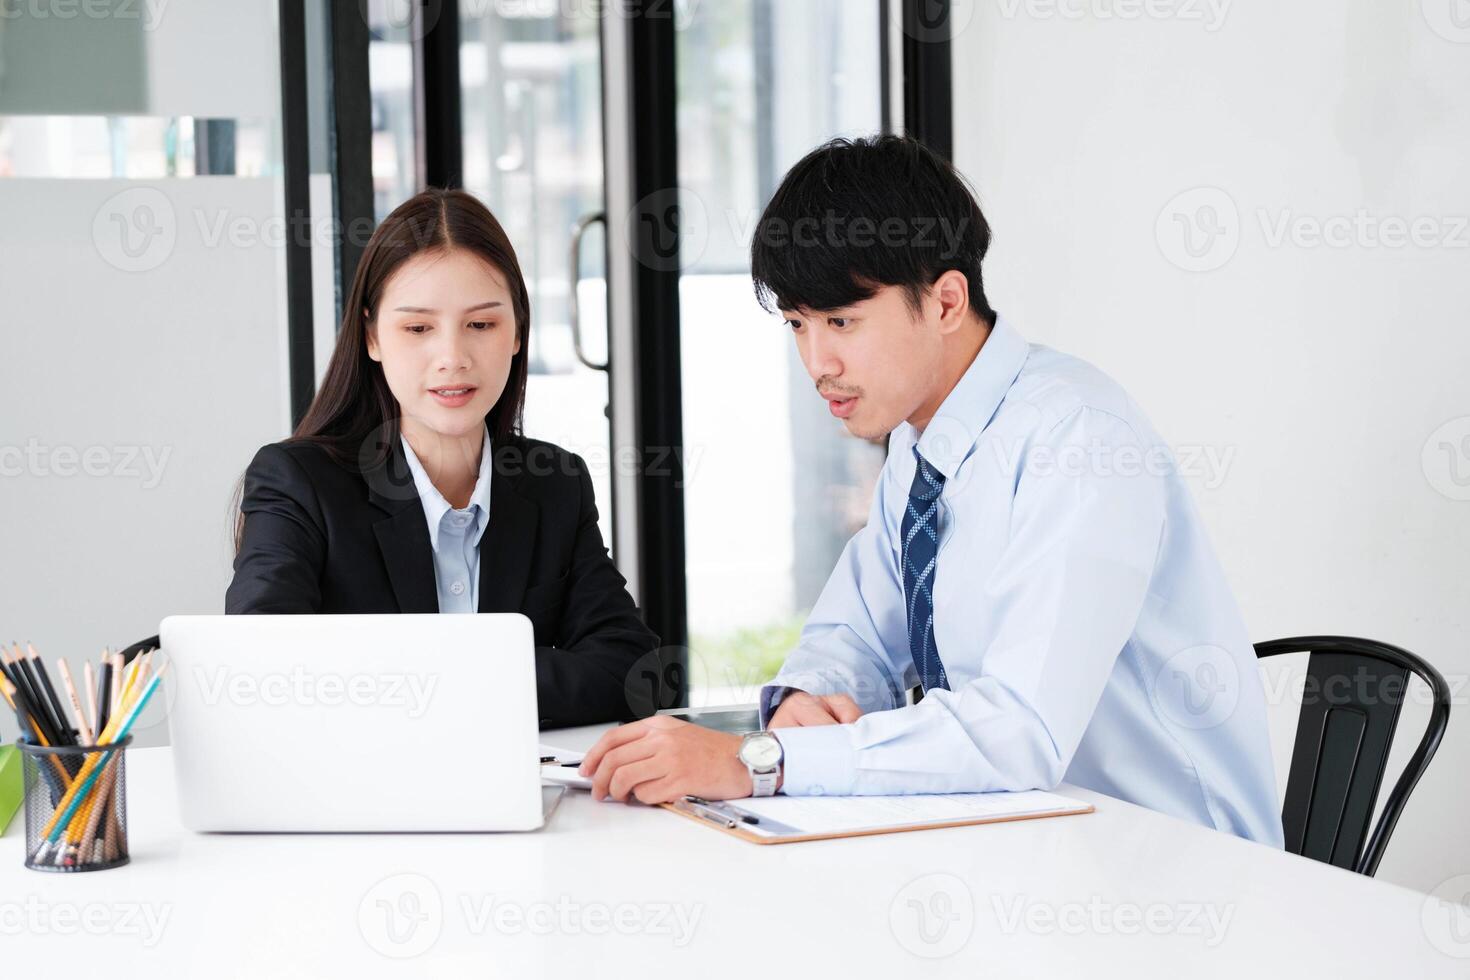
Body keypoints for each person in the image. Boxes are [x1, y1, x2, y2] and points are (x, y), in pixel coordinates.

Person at [579, 136, 1284, 847]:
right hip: (1031, 840)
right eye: (798, 325)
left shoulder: (1079, 440)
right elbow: (854, 635)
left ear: (947, 301)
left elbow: (1019, 730)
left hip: (1178, 864)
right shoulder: (922, 445)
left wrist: (762, 761)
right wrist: (806, 701)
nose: (817, 362)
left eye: (842, 321)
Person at [227, 188, 658, 728]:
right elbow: (264, 671)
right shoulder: (298, 483)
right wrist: (490, 686)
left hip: (522, 801)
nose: (453, 358)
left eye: (481, 325)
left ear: (518, 331)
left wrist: (425, 689)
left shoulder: (554, 483)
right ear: (371, 336)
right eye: (418, 328)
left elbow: (629, 670)